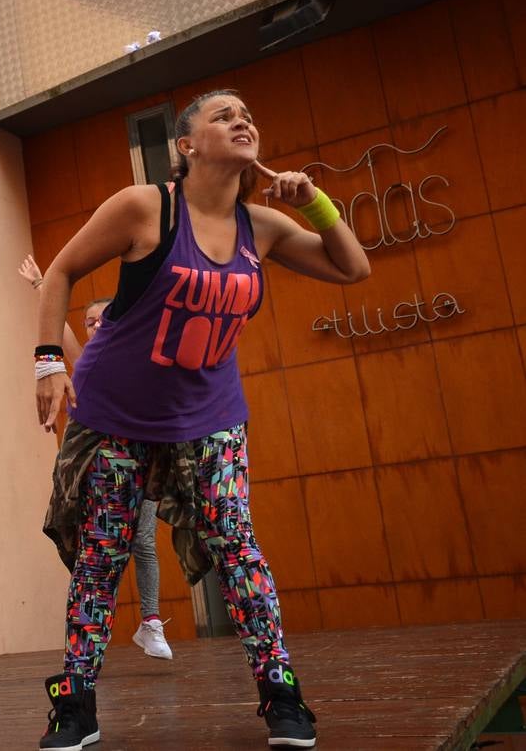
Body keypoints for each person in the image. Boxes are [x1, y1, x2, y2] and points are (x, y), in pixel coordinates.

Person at [33, 90, 369, 750]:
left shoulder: (262, 228)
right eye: (224, 115)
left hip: (209, 418)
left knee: (238, 551)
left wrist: (314, 205)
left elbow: (352, 267)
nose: (243, 119)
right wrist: (48, 362)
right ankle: (74, 705)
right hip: (115, 415)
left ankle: (282, 697)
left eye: (249, 113)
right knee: (101, 558)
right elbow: (61, 269)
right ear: (186, 146)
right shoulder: (144, 207)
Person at [19, 260, 174, 662]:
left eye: (103, 319)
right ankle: (89, 630)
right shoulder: (86, 362)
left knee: (143, 541)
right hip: (95, 468)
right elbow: (62, 335)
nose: (95, 325)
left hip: (138, 461)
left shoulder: (141, 357)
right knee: (92, 548)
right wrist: (42, 284)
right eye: (89, 321)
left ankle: (151, 622)